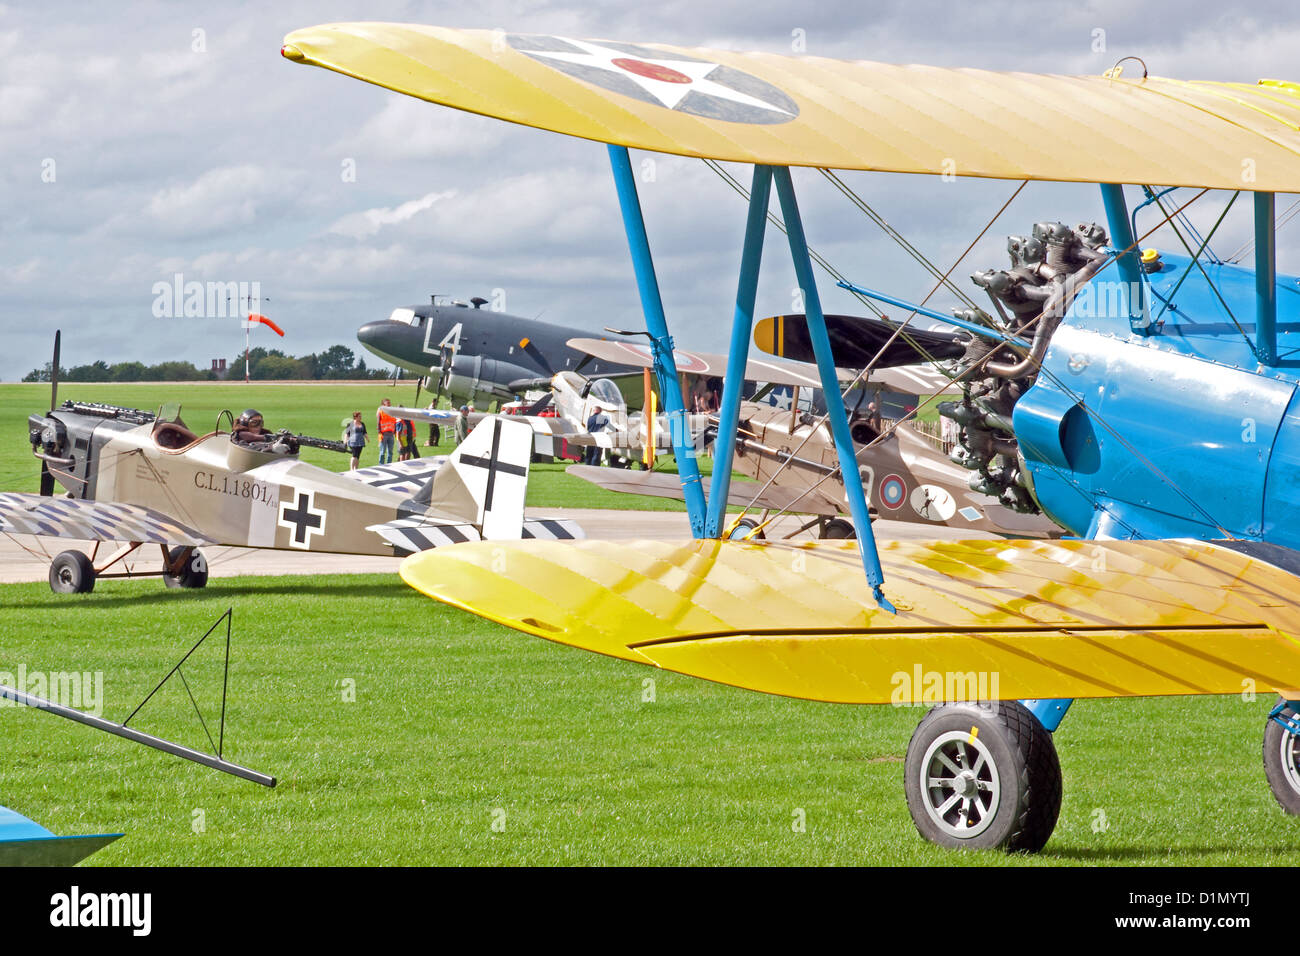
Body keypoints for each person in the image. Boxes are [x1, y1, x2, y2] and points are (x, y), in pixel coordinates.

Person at [377, 398, 397, 465]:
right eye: (387, 403)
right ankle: (381, 465)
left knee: (390, 452)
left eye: (389, 402)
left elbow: (395, 422)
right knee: (382, 451)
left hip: (391, 434)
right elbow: (378, 422)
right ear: (383, 404)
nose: (389, 404)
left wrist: (395, 431)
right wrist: (380, 432)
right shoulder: (381, 412)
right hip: (384, 434)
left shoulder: (392, 412)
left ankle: (389, 464)